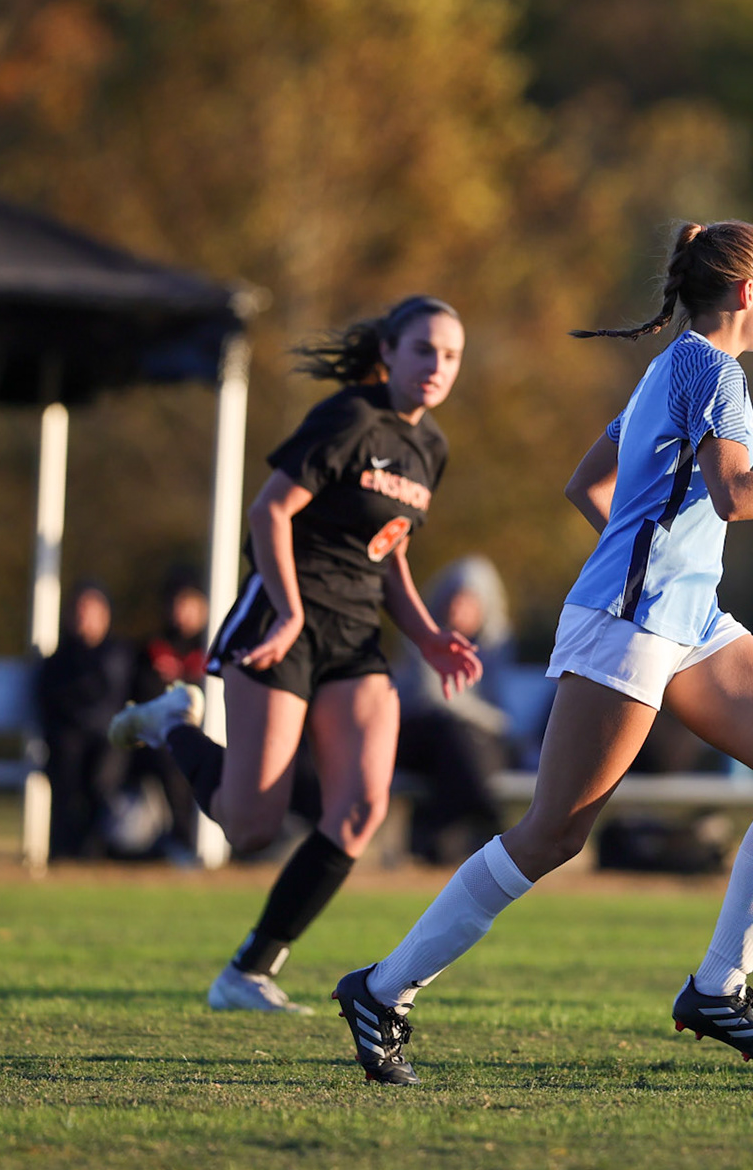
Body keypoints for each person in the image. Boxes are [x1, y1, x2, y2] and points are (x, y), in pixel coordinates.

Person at [331, 220, 753, 1084]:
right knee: (551, 835)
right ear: (747, 293)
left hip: (686, 617)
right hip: (637, 621)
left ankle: (717, 989)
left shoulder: (668, 365)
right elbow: (735, 497)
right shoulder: (715, 373)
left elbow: (587, 485)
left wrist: (646, 556)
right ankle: (381, 991)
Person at [108, 295, 481, 1013]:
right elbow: (268, 511)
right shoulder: (351, 418)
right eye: (424, 350)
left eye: (452, 355)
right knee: (249, 827)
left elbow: (389, 550)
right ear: (392, 353)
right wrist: (288, 610)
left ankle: (248, 971)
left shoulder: (429, 447)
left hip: (354, 638)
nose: (438, 366)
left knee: (360, 811)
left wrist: (429, 634)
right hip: (283, 623)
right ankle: (170, 725)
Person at [393, 555, 512, 864]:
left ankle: (442, 836)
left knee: (465, 743)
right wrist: (491, 722)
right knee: (457, 736)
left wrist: (489, 722)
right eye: (454, 599)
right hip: (420, 734)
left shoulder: (497, 645)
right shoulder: (424, 634)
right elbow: (436, 699)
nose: (458, 608)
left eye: (468, 601)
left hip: (465, 743)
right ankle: (490, 824)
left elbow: (495, 706)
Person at [117, 568, 213, 858]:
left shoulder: (213, 650)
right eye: (176, 603)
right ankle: (182, 842)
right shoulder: (152, 650)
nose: (182, 612)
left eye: (190, 604)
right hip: (158, 746)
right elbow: (141, 699)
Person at [38, 581, 135, 859]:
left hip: (108, 742)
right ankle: (66, 852)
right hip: (68, 743)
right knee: (66, 765)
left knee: (101, 776)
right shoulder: (57, 662)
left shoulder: (120, 656)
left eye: (91, 611)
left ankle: (96, 851)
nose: (84, 619)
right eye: (79, 611)